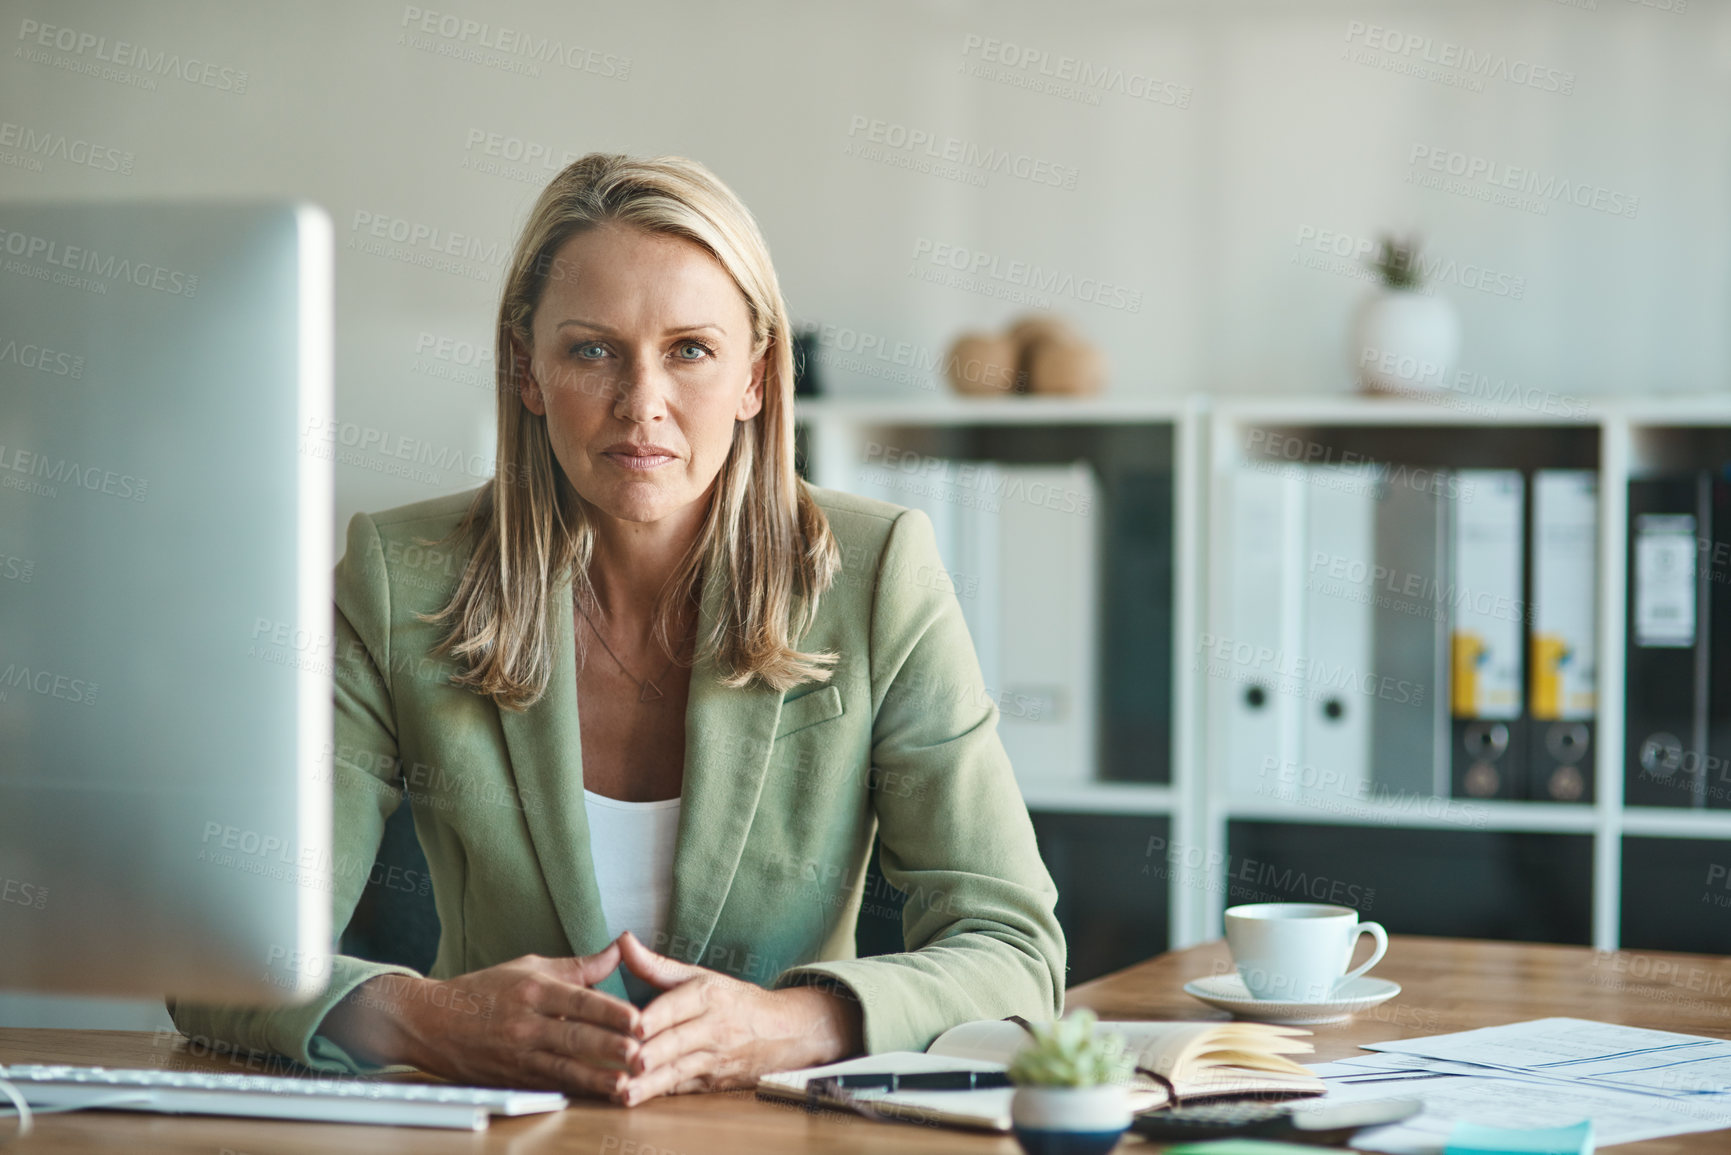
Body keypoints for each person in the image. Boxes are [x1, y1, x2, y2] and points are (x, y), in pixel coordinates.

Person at [169, 153, 1065, 1106]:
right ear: (527, 369)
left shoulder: (879, 571)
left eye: (690, 349)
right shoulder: (400, 575)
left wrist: (789, 1025)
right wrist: (436, 1019)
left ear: (756, 375)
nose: (642, 402)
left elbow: (1014, 952)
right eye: (593, 349)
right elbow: (223, 959)